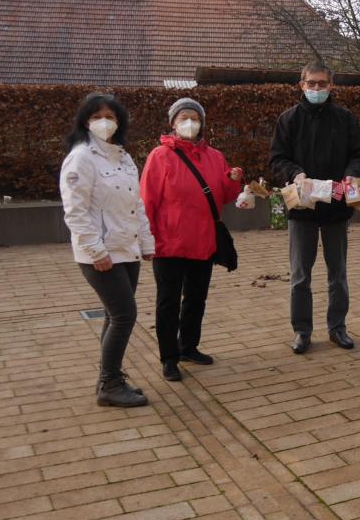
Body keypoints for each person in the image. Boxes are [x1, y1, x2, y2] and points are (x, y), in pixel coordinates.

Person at [60, 92, 154, 408]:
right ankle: (109, 384)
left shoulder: (124, 157)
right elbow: (75, 211)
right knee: (125, 315)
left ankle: (110, 376)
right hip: (101, 254)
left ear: (119, 122)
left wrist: (146, 242)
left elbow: (136, 204)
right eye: (97, 116)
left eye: (110, 116)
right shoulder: (81, 157)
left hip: (126, 249)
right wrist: (95, 250)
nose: (104, 122)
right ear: (85, 121)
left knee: (114, 316)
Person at [270, 62, 360, 354]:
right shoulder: (288, 119)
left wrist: (353, 172)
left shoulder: (345, 119)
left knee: (337, 273)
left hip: (336, 208)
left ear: (331, 86)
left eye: (322, 84)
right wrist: (296, 173)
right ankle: (302, 330)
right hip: (302, 210)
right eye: (311, 84)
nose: (316, 89)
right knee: (300, 274)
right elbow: (277, 158)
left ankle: (337, 328)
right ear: (302, 85)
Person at [140, 98, 243, 382]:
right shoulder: (159, 157)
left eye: (194, 118)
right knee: (168, 302)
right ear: (173, 123)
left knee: (196, 298)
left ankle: (189, 347)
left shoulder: (215, 156)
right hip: (168, 242)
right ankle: (169, 357)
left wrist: (233, 180)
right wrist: (144, 238)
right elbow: (146, 201)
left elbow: (225, 196)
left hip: (203, 241)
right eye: (183, 117)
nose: (189, 123)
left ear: (202, 123)